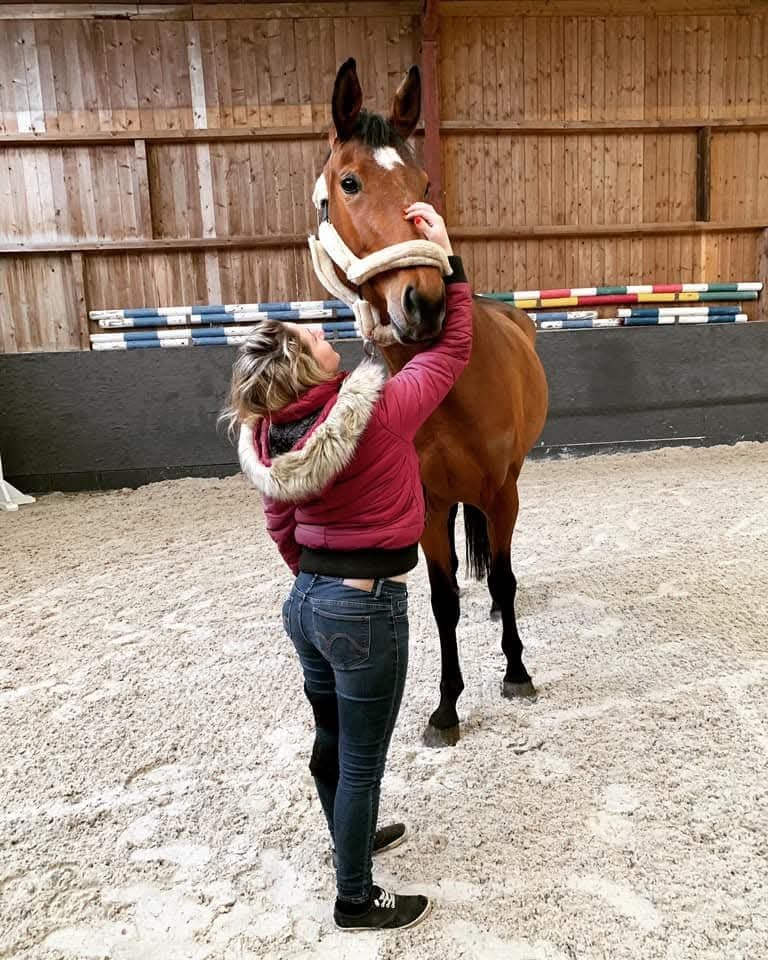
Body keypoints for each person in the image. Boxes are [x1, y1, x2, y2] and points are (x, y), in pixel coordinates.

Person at [224, 203, 473, 931]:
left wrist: (318, 576)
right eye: (310, 336)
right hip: (363, 607)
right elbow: (452, 351)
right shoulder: (382, 409)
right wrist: (448, 260)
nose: (321, 331)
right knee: (362, 761)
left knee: (332, 740)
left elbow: (281, 524)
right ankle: (356, 898)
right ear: (306, 368)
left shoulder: (272, 435)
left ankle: (348, 837)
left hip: (306, 605)